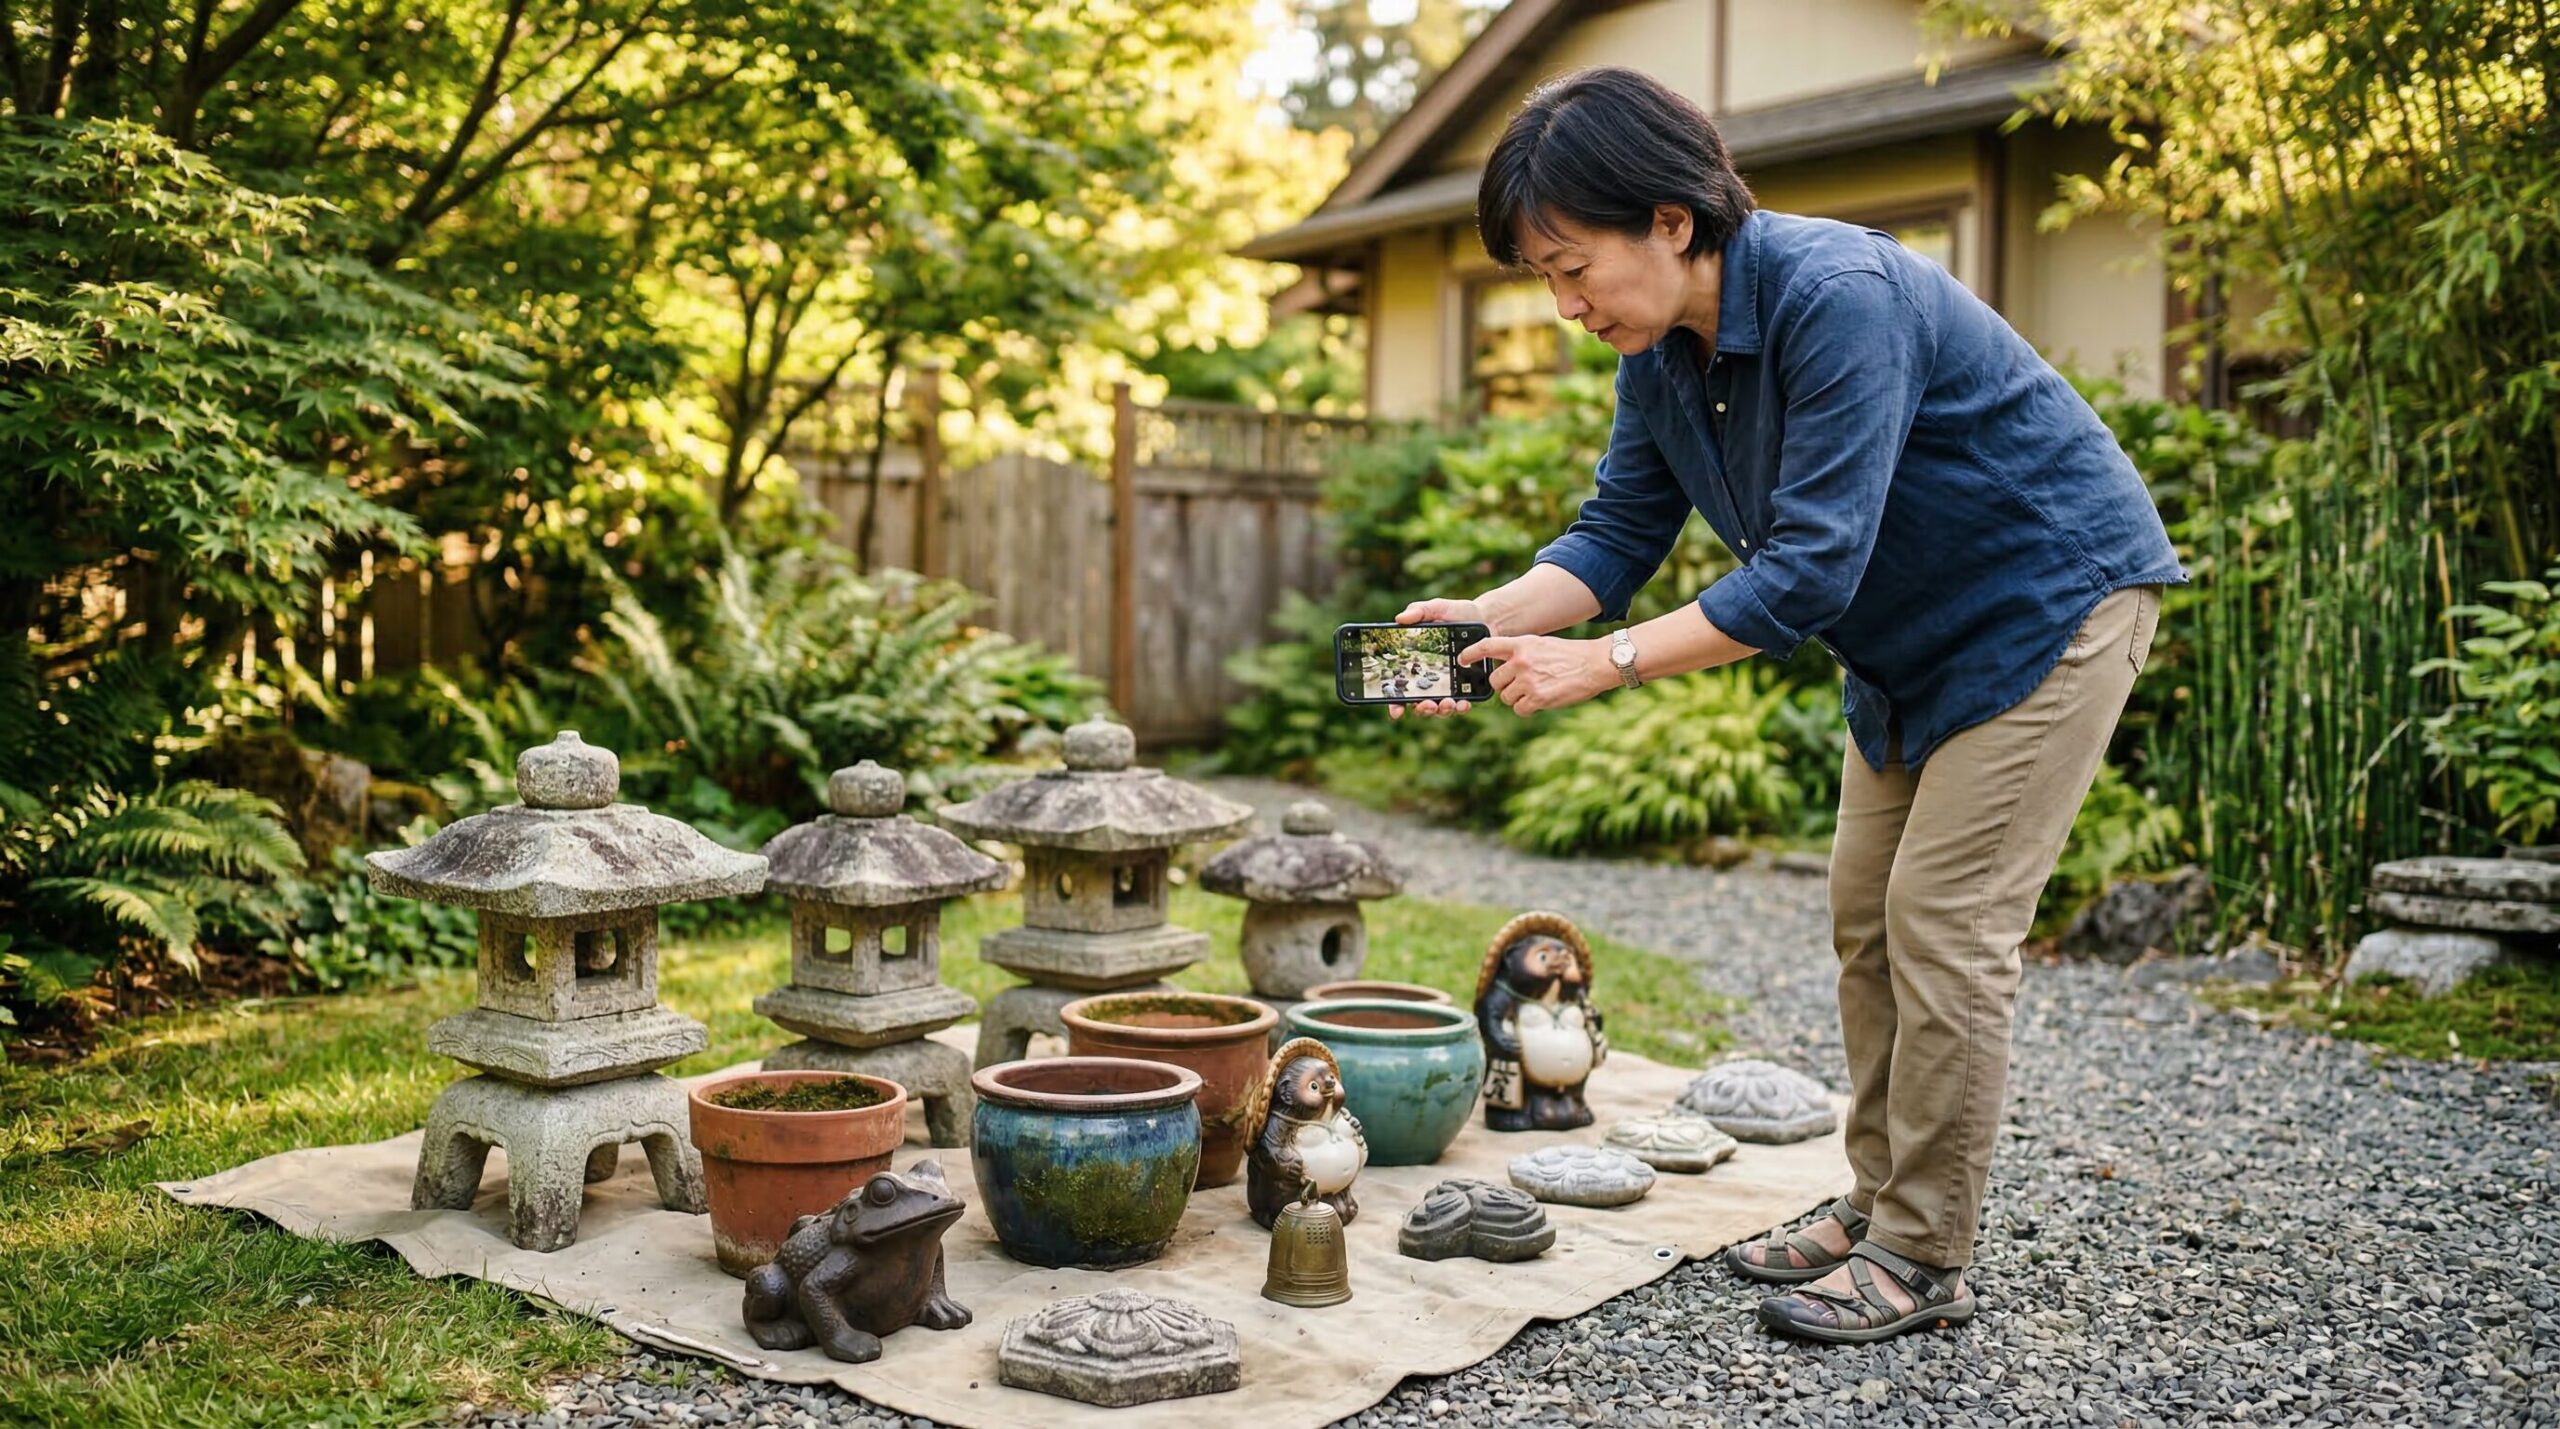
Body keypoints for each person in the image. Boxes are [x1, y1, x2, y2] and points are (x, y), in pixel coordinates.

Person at [1391, 66, 2182, 1344]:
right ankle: (1875, 1204)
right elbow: (1613, 535)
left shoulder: (1835, 296)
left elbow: (1809, 569)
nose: (1563, 303)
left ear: (1669, 218)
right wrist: (1489, 619)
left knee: (1943, 923)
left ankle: (1924, 1253)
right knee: (1864, 914)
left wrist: (1602, 664)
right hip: (1905, 645)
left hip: (2051, 603)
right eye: (1540, 278)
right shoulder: (1657, 355)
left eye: (1569, 264)